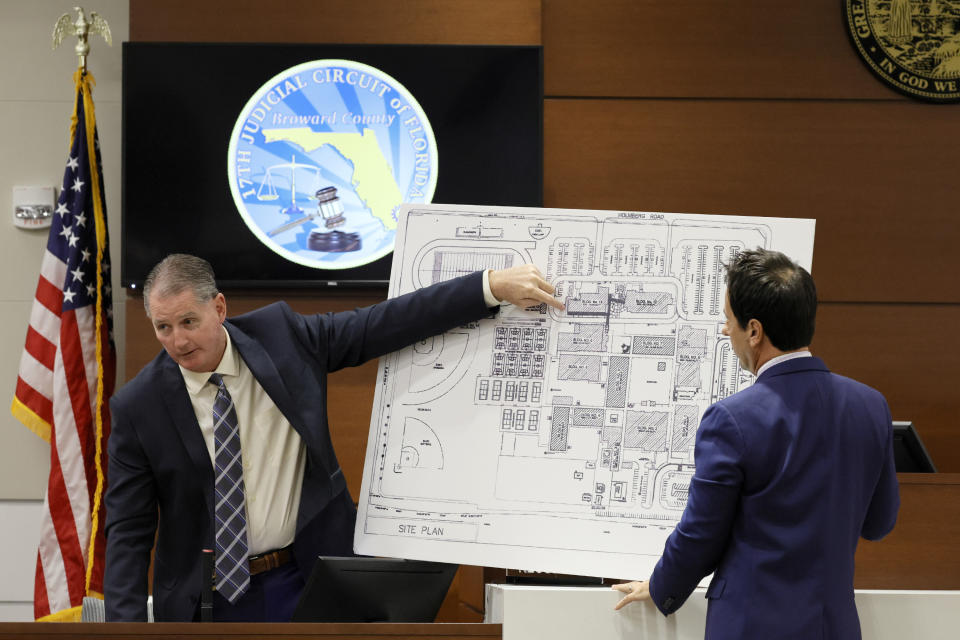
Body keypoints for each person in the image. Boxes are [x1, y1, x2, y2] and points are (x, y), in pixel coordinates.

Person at [104, 253, 563, 622]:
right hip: (207, 601)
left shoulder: (283, 338)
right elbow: (128, 533)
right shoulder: (138, 407)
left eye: (188, 322)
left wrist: (488, 287)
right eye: (163, 327)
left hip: (303, 580)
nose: (178, 341)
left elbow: (382, 323)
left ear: (219, 308)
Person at [612, 248, 899, 640]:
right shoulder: (871, 406)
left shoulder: (731, 419)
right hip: (835, 627)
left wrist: (662, 585)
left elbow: (701, 534)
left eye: (729, 320)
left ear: (754, 330)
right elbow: (880, 523)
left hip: (751, 627)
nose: (724, 330)